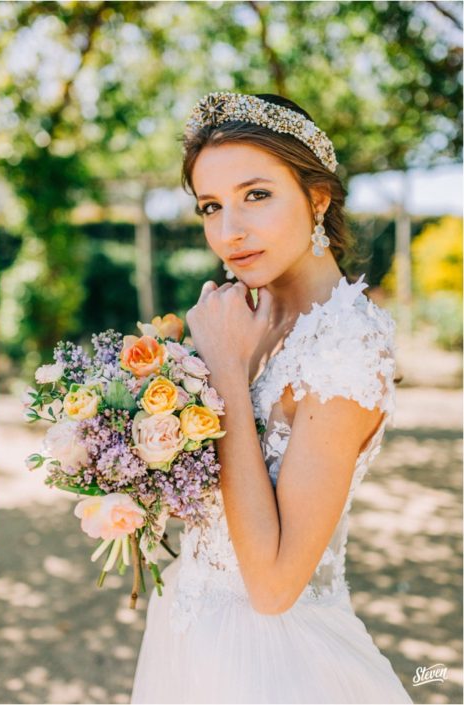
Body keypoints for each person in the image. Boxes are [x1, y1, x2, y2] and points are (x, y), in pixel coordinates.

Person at [130, 93, 411, 703]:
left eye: (256, 195)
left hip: (275, 664)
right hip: (190, 631)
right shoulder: (247, 317)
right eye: (211, 206)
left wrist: (225, 372)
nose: (229, 232)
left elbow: (275, 586)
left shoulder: (347, 346)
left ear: (317, 197)